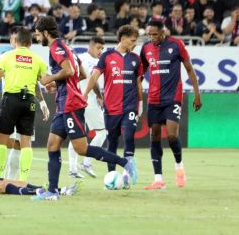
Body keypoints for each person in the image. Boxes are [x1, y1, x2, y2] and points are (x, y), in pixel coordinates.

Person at [33, 16, 137, 201]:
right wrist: (58, 85)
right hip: (63, 101)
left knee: (81, 149)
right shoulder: (67, 48)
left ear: (46, 33)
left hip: (70, 103)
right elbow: (80, 74)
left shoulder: (56, 47)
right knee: (52, 144)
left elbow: (70, 72)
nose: (37, 36)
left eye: (38, 33)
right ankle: (52, 190)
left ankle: (124, 163)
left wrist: (49, 79)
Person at [141, 20, 202, 190]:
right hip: (153, 99)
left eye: (155, 34)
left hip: (173, 97)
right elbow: (141, 70)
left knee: (172, 134)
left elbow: (189, 69)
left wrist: (197, 94)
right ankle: (158, 179)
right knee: (154, 136)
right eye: (149, 34)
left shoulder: (176, 45)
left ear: (163, 32)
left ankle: (179, 166)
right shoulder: (145, 48)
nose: (152, 37)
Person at [83, 26, 143, 185]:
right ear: (123, 38)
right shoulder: (107, 56)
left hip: (130, 105)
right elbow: (94, 76)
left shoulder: (136, 59)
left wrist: (141, 102)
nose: (135, 44)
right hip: (111, 107)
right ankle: (112, 176)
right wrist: (84, 95)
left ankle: (127, 174)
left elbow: (138, 83)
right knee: (112, 140)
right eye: (132, 40)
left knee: (129, 135)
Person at [0, 27, 48, 182]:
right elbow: (43, 82)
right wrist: (43, 101)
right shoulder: (38, 59)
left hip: (11, 100)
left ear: (15, 41)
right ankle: (22, 180)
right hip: (29, 102)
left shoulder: (6, 57)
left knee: (2, 140)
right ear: (30, 43)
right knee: (26, 142)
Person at [67, 36, 106, 179]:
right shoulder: (96, 62)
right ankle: (87, 162)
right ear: (90, 46)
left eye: (102, 48)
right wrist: (99, 96)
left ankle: (72, 169)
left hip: (75, 100)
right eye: (98, 48)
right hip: (87, 101)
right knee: (102, 132)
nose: (100, 51)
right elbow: (93, 79)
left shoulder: (80, 57)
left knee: (78, 135)